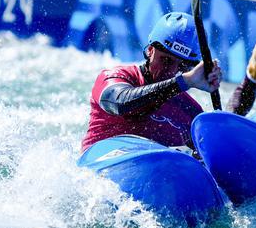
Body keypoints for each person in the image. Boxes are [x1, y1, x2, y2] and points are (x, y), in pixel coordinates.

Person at [81, 12, 221, 152]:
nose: (172, 71)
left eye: (182, 66)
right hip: (93, 168)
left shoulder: (190, 111)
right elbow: (119, 104)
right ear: (150, 50)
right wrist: (184, 81)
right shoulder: (115, 77)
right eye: (166, 60)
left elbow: (212, 158)